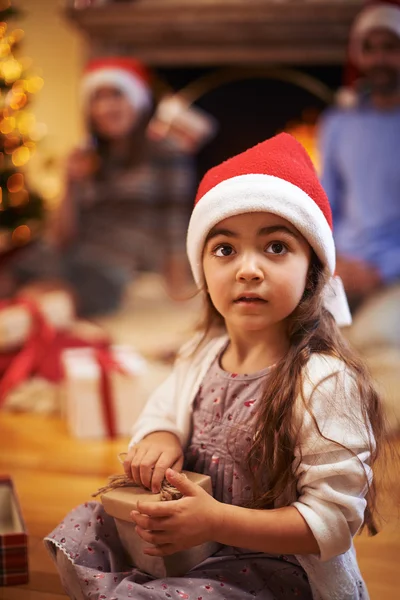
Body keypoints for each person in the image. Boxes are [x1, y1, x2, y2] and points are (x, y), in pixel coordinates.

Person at [44, 133, 384, 600]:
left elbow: (331, 524)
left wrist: (216, 520)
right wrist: (160, 438)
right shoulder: (200, 353)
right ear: (202, 268)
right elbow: (162, 414)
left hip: (273, 566)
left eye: (276, 247)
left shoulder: (322, 380)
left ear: (313, 271)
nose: (248, 269)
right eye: (225, 249)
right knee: (87, 525)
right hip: (193, 544)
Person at [11, 57, 195, 315]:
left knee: (58, 298)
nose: (106, 107)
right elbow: (60, 237)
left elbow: (176, 224)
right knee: (17, 275)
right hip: (78, 255)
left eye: (116, 96)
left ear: (138, 101)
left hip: (124, 262)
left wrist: (178, 293)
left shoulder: (167, 152)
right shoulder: (87, 157)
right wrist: (69, 181)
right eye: (97, 98)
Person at [318, 0, 400, 431]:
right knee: (302, 329)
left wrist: (380, 269)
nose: (381, 58)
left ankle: (354, 419)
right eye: (371, 47)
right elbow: (325, 201)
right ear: (359, 55)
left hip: (392, 273)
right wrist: (334, 260)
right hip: (345, 264)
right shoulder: (338, 123)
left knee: (368, 340)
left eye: (391, 46)